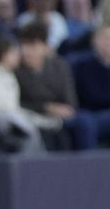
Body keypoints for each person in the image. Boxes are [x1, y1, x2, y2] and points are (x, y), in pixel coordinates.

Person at [16, 21, 105, 150]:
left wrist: (66, 110)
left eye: (32, 45)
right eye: (23, 45)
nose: (26, 51)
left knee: (85, 121)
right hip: (35, 116)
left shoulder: (60, 66)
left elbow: (70, 99)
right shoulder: (16, 71)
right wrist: (46, 107)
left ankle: (89, 162)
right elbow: (16, 104)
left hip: (62, 115)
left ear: (45, 47)